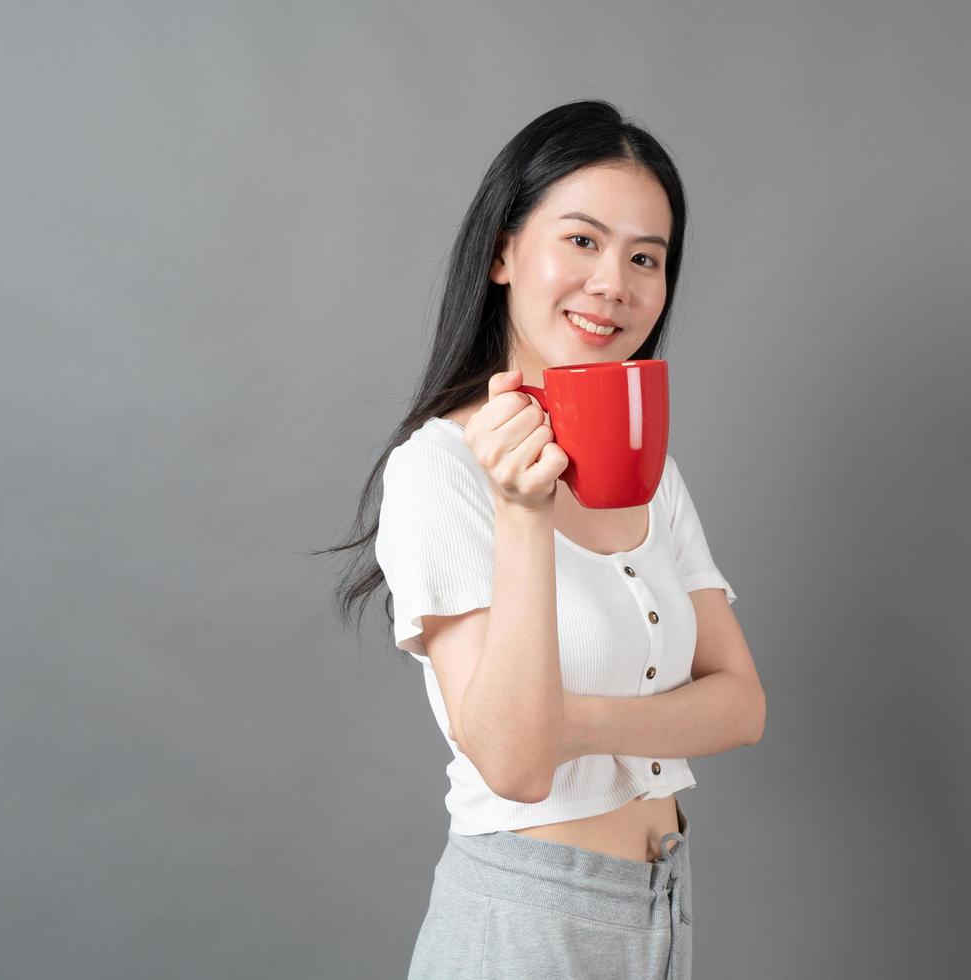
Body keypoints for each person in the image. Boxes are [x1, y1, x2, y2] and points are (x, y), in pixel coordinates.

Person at [319, 99, 765, 980]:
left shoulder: (651, 475)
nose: (614, 284)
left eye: (647, 257)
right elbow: (518, 764)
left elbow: (743, 705)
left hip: (665, 907)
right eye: (584, 241)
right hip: (526, 922)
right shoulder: (439, 471)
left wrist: (582, 723)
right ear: (502, 253)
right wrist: (522, 514)